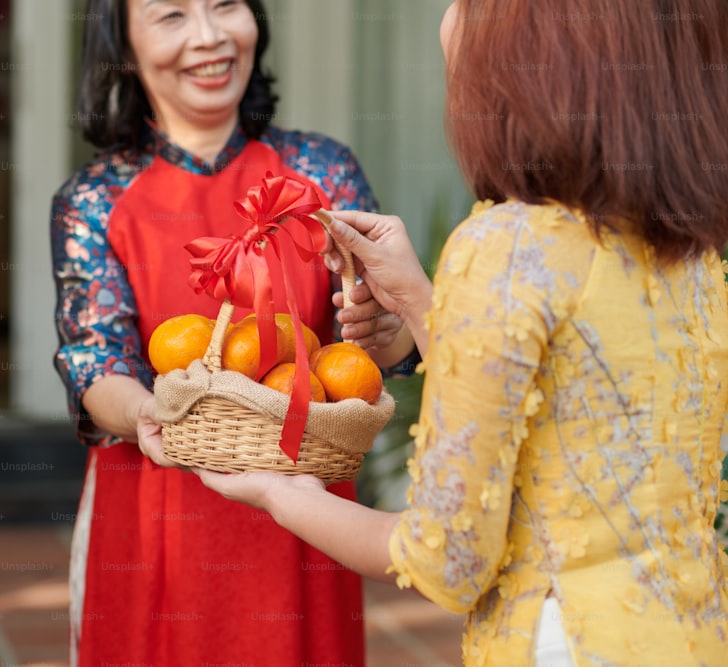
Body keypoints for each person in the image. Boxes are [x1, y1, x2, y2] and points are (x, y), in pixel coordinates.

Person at [198, 0, 728, 665]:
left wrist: (281, 491)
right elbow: (573, 415)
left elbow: (447, 558)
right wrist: (424, 304)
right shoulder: (695, 253)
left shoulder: (506, 244)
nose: (452, 17)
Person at [50, 0, 419, 664]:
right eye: (172, 16)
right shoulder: (95, 199)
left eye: (226, 5)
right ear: (123, 45)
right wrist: (152, 414)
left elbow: (367, 351)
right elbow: (93, 361)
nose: (210, 35)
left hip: (308, 512)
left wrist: (388, 329)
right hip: (155, 505)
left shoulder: (323, 171)